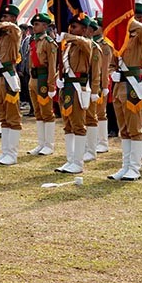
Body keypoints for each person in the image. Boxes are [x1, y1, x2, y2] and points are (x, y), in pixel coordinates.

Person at [108, 12, 142, 181]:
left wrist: (130, 21)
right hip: (119, 86)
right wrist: (112, 72)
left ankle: (134, 168)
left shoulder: (139, 35)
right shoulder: (118, 37)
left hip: (133, 86)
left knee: (135, 128)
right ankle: (125, 166)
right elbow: (111, 63)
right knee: (124, 129)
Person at [54, 13, 93, 174]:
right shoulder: (68, 46)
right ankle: (70, 160)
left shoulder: (86, 44)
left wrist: (68, 37)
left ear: (84, 29)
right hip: (67, 87)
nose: (71, 29)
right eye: (70, 26)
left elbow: (87, 44)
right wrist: (58, 78)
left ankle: (78, 162)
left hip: (78, 88)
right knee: (68, 125)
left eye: (75, 27)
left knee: (78, 125)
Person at [0, 4, 23, 165]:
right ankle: (5, 152)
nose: (3, 20)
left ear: (14, 18)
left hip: (9, 79)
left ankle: (12, 154)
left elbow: (14, 29)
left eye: (6, 17)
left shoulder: (14, 33)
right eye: (2, 17)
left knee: (13, 117)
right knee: (3, 117)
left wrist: (0, 25)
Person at [26, 12, 58, 157]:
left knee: (47, 112)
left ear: (45, 26)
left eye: (37, 24)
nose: (34, 27)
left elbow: (52, 66)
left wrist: (51, 85)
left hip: (44, 78)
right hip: (33, 78)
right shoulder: (33, 40)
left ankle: (49, 145)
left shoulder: (49, 43)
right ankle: (41, 143)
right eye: (34, 24)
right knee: (38, 111)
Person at [82, 18, 103, 163]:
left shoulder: (95, 48)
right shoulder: (78, 45)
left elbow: (96, 73)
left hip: (90, 86)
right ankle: (84, 148)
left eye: (86, 29)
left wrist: (95, 91)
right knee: (80, 118)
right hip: (79, 86)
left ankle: (91, 150)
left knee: (90, 117)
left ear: (91, 31)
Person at [92, 16, 113, 154]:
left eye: (95, 27)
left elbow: (105, 67)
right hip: (91, 81)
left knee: (100, 113)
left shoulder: (105, 45)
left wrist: (104, 85)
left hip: (100, 81)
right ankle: (94, 141)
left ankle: (102, 142)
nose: (92, 30)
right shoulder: (91, 43)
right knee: (91, 114)